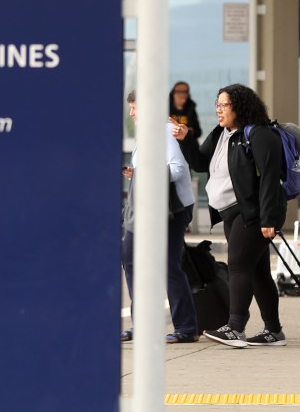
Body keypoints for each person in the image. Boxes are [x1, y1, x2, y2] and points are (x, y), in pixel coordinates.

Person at [173, 83, 287, 348]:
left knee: (237, 265)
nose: (218, 110)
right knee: (257, 271)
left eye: (224, 105)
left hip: (254, 213)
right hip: (231, 213)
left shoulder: (260, 135)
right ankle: (274, 331)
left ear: (240, 107)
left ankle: (235, 327)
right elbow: (201, 164)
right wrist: (186, 138)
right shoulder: (222, 134)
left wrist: (269, 218)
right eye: (217, 105)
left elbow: (270, 178)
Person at [120, 90, 199, 344]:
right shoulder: (145, 135)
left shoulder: (165, 131)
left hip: (171, 210)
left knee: (168, 265)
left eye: (134, 108)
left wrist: (146, 173)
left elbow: (177, 169)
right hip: (145, 206)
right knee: (130, 257)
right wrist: (136, 173)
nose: (131, 113)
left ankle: (186, 328)